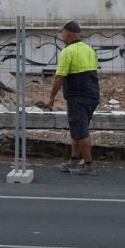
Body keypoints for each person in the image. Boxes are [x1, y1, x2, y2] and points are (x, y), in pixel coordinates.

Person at [44, 19, 100, 174]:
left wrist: (51, 97)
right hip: (92, 95)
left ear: (67, 34)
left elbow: (60, 77)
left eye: (62, 33)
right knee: (78, 128)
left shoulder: (67, 52)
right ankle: (73, 160)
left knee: (81, 131)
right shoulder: (89, 49)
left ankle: (88, 165)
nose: (62, 36)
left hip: (77, 96)